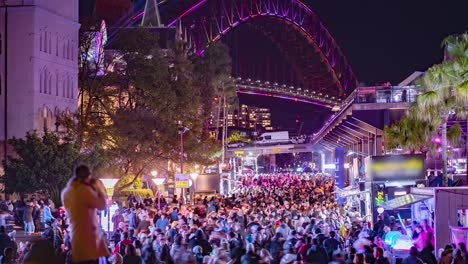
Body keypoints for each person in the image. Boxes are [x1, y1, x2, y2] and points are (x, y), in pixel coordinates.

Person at [61, 165, 109, 263]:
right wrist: (99, 188)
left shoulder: (66, 192)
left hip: (76, 239)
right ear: (87, 177)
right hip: (89, 241)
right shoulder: (83, 191)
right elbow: (102, 205)